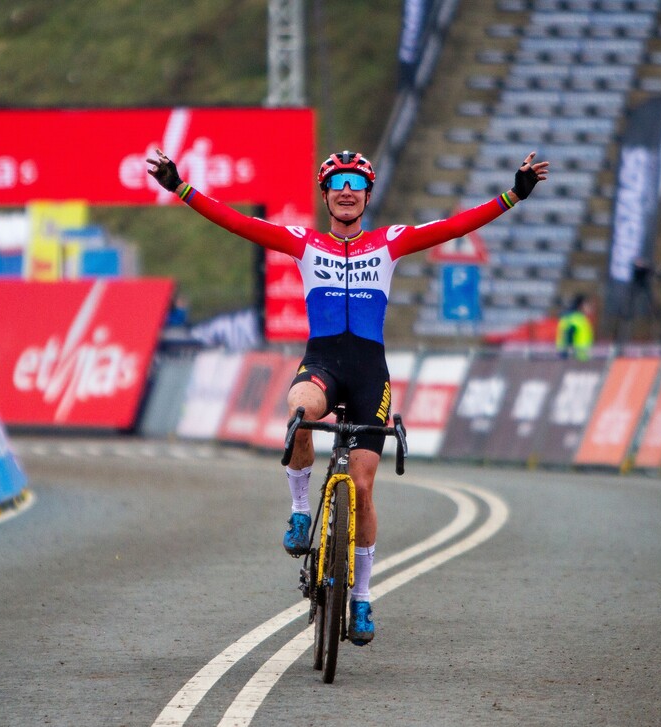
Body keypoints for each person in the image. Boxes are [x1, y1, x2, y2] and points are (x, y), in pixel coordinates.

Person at [147, 147, 549, 645]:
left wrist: (514, 195)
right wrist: (181, 188)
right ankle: (299, 511)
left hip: (368, 374)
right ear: (325, 196)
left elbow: (454, 227)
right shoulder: (304, 242)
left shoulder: (390, 243)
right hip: (322, 364)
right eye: (337, 184)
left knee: (361, 487)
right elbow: (238, 223)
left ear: (366, 196)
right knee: (299, 411)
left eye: (355, 185)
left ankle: (361, 601)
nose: (345, 192)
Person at [556, 294, 594, 360]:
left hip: (578, 359)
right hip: (576, 359)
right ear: (581, 305)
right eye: (587, 305)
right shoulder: (576, 319)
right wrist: (568, 354)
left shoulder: (573, 317)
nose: (590, 307)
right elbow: (568, 336)